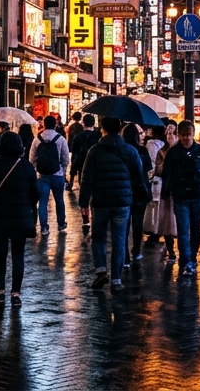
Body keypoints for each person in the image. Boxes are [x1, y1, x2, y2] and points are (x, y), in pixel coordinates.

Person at [79, 117, 146, 289]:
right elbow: (138, 175)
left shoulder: (94, 151)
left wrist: (83, 202)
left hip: (100, 201)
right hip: (123, 202)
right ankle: (117, 279)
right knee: (119, 239)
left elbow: (86, 179)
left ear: (103, 129)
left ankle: (101, 271)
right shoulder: (130, 151)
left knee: (98, 237)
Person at [0, 131, 38, 305]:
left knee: (0, 252)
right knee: (18, 254)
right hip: (20, 218)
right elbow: (35, 193)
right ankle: (16, 294)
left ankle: (0, 291)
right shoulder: (26, 166)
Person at [162, 120, 200, 278]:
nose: (186, 138)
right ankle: (186, 261)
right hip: (180, 196)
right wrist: (166, 193)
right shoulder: (173, 153)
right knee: (183, 230)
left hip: (197, 195)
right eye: (183, 135)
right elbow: (167, 175)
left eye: (189, 135)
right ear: (178, 135)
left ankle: (192, 257)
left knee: (195, 230)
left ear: (193, 135)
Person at [29, 115, 70, 235]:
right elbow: (66, 158)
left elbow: (31, 158)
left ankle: (44, 227)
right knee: (59, 200)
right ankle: (61, 224)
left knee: (43, 202)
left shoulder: (37, 139)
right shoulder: (60, 139)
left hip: (42, 175)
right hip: (58, 175)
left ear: (44, 124)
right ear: (55, 124)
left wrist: (37, 169)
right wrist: (62, 170)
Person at [123, 124, 152, 262]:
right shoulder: (142, 150)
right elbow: (148, 168)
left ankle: (126, 256)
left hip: (125, 189)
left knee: (124, 224)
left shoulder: (121, 151)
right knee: (138, 222)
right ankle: (136, 250)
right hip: (140, 189)